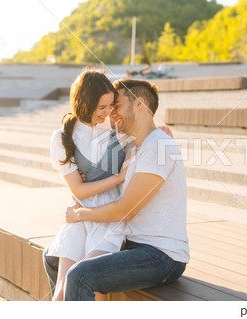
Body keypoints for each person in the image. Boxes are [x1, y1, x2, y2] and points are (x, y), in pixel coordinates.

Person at [44, 78, 189, 301]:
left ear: (139, 104)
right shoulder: (138, 146)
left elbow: (125, 211)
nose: (112, 113)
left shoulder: (158, 146)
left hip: (161, 255)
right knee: (52, 256)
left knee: (79, 275)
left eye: (117, 105)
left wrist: (78, 214)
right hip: (133, 245)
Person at [46, 69, 134, 301]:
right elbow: (79, 190)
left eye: (109, 106)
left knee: (91, 285)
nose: (107, 113)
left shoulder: (115, 127)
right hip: (79, 217)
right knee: (61, 293)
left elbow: (145, 136)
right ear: (84, 103)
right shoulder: (63, 137)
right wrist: (117, 177)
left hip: (110, 218)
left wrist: (165, 134)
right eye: (101, 107)